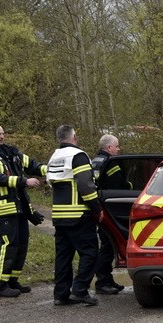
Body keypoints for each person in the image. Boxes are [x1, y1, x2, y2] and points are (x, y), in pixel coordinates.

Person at [0, 124, 47, 298]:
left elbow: (33, 166)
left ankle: (12, 281)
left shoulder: (11, 153)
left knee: (22, 244)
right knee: (8, 245)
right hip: (3, 209)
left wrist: (55, 169)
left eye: (3, 133)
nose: (2, 137)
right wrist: (24, 181)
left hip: (20, 209)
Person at [46, 125, 101, 306]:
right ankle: (80, 290)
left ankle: (61, 295)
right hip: (78, 213)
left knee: (63, 256)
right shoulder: (78, 156)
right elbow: (85, 185)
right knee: (90, 252)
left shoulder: (55, 157)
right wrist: (96, 208)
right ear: (74, 137)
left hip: (60, 215)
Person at [90, 134, 126, 295]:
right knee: (107, 247)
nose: (118, 149)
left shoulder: (94, 162)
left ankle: (106, 279)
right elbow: (122, 186)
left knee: (106, 245)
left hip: (98, 208)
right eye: (117, 146)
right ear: (109, 147)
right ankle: (103, 281)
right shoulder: (112, 165)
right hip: (109, 211)